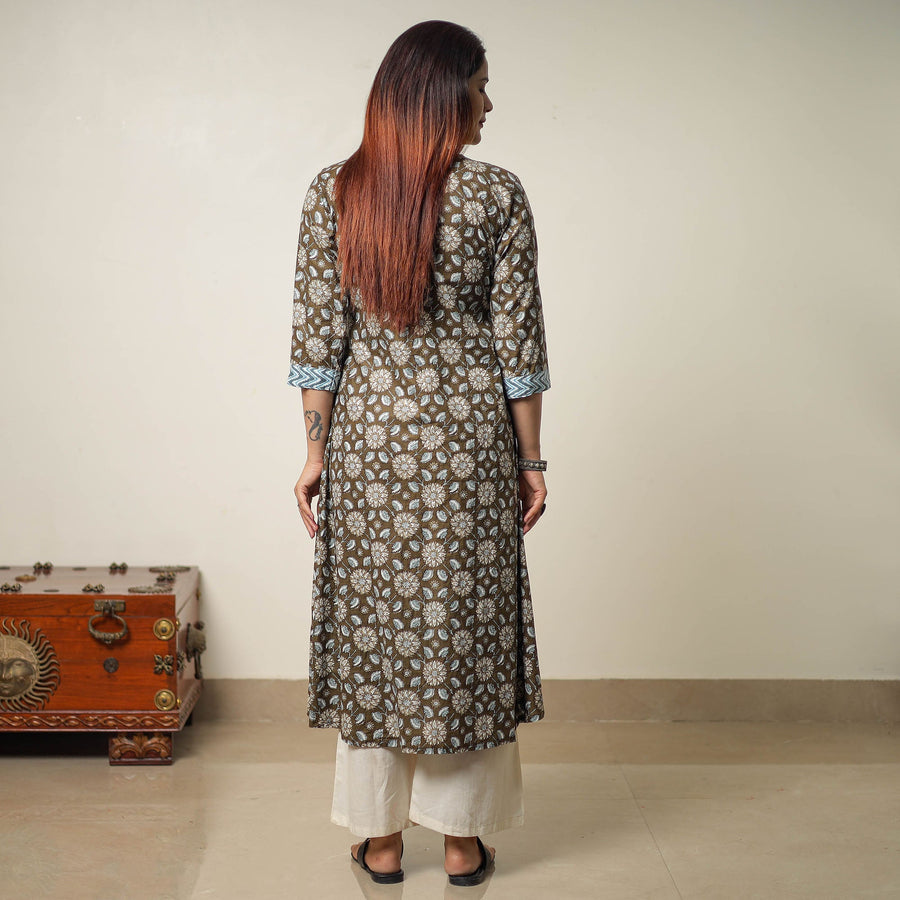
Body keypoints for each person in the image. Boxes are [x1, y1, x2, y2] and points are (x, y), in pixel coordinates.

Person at [289, 20, 550, 887]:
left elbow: (319, 344)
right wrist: (532, 462)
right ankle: (464, 843)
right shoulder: (498, 195)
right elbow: (519, 347)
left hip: (369, 446)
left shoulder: (335, 193)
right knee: (465, 635)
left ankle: (382, 841)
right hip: (470, 445)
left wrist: (315, 453)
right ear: (443, 94)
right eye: (480, 85)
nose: (489, 103)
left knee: (376, 637)